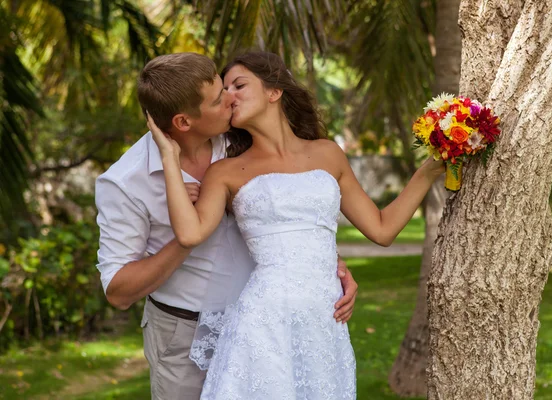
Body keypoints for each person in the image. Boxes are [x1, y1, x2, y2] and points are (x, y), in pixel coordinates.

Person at [147, 51, 445, 399]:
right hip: (263, 322)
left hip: (324, 321)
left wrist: (429, 171)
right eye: (224, 90)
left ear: (274, 92)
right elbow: (190, 233)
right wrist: (169, 157)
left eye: (239, 85)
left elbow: (382, 229)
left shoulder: (327, 153)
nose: (229, 95)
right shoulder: (226, 172)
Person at [95, 52, 358, 400]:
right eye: (219, 99)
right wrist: (187, 236)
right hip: (183, 335)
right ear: (184, 122)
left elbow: (285, 208)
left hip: (268, 326)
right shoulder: (125, 183)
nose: (231, 99)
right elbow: (118, 291)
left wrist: (330, 268)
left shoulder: (238, 141)